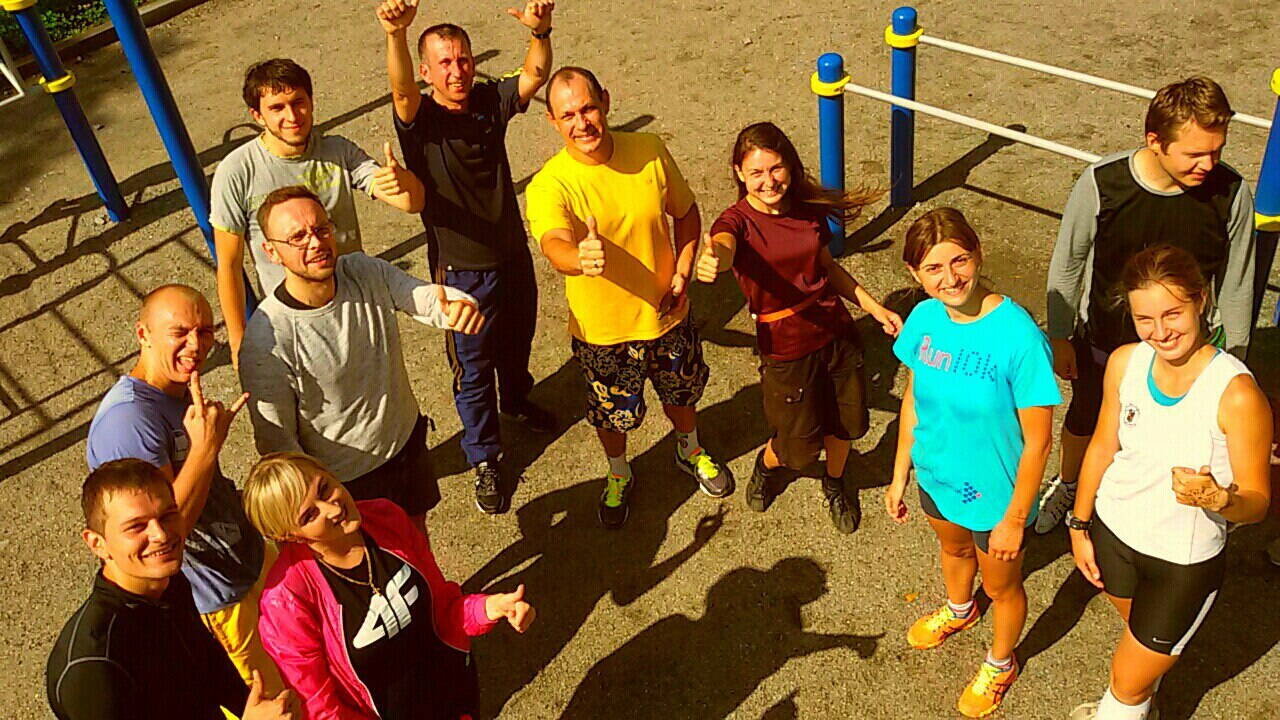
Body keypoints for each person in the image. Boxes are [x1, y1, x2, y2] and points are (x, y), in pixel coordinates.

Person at [1037, 76, 1256, 534]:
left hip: (1187, 349)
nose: (1208, 164)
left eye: (1216, 151)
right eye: (1195, 154)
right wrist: (1059, 335)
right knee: (1087, 416)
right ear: (1155, 141)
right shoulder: (1103, 183)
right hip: (1106, 338)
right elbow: (1068, 262)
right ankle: (1070, 484)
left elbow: (1237, 283)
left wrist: (1235, 358)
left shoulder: (1232, 193)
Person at [1066, 245, 1271, 720]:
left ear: (1201, 300)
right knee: (1138, 657)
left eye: (1173, 314)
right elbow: (1102, 445)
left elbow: (1258, 501)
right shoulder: (1126, 362)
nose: (1160, 332)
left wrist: (1221, 499)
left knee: (1124, 680)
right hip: (1113, 536)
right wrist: (1079, 524)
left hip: (1181, 563)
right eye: (1145, 319)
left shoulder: (1237, 395)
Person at [526, 66, 732, 528]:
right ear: (552, 122)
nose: (582, 123)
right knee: (612, 415)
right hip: (603, 333)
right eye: (568, 115)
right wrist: (579, 257)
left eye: (588, 109)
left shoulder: (650, 150)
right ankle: (618, 472)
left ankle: (689, 449)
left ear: (605, 101)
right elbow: (553, 245)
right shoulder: (549, 184)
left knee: (682, 391)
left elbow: (686, 212)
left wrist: (683, 269)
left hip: (668, 313)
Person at [377, 0, 558, 514]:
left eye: (463, 60)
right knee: (473, 371)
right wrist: (396, 34)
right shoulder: (420, 119)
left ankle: (516, 401)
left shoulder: (486, 100)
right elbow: (401, 91)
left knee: (517, 341)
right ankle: (485, 456)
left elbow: (534, 75)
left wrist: (540, 31)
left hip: (512, 254)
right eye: (444, 63)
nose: (456, 71)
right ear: (426, 71)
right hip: (460, 272)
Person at [884, 208, 1060, 718]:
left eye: (959, 260)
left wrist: (1015, 519)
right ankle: (960, 609)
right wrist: (899, 473)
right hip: (936, 475)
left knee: (1002, 587)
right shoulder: (924, 319)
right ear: (915, 274)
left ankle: (1001, 662)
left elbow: (1040, 441)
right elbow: (913, 397)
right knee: (954, 549)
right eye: (933, 268)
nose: (950, 278)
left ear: (978, 254)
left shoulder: (1019, 337)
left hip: (996, 497)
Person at [697, 121, 902, 533]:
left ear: (789, 165)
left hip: (837, 335)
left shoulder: (806, 210)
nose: (768, 181)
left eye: (776, 168)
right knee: (797, 447)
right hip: (786, 349)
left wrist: (874, 308)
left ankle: (836, 481)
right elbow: (724, 245)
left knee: (846, 426)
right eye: (756, 172)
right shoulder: (736, 222)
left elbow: (827, 268)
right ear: (739, 173)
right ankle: (767, 466)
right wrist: (714, 259)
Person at [238, 186, 482, 530]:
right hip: (346, 482)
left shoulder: (363, 271)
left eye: (321, 228)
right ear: (272, 252)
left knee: (416, 536)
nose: (315, 242)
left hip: (405, 442)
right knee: (375, 557)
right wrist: (317, 502)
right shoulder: (266, 341)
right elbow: (277, 442)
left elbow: (423, 298)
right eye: (298, 237)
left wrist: (458, 306)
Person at [84, 284, 281, 692]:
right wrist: (206, 448)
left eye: (205, 332)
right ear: (143, 334)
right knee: (275, 700)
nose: (196, 345)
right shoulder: (128, 421)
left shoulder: (173, 391)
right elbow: (168, 527)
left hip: (249, 560)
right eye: (180, 332)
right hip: (220, 595)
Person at [244, 452, 536, 719]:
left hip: (454, 690)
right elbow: (322, 709)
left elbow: (444, 607)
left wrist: (489, 607)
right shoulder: (285, 603)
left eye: (324, 488)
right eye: (309, 515)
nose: (332, 509)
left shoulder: (385, 518)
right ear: (290, 536)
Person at [210, 58, 426, 367]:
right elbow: (229, 265)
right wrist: (237, 342)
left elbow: (410, 203)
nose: (292, 116)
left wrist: (403, 181)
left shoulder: (338, 151)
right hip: (294, 323)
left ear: (311, 102)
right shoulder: (237, 171)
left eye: (298, 102)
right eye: (277, 108)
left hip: (355, 307)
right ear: (257, 115)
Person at [47, 459, 297, 720]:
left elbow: (208, 663)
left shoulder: (170, 584)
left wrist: (254, 705)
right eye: (136, 526)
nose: (161, 535)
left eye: (168, 515)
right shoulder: (94, 667)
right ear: (97, 543)